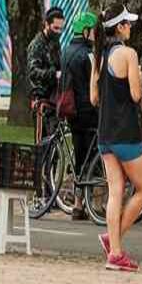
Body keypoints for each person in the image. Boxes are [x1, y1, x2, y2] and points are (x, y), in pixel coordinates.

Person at [89, 4, 142, 272]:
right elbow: (137, 96)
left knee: (115, 190)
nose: (130, 26)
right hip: (126, 133)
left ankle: (114, 249)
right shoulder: (129, 54)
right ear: (119, 27)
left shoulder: (98, 56)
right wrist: (139, 77)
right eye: (127, 23)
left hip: (105, 134)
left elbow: (94, 98)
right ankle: (112, 241)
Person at [60, 11, 99, 221]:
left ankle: (77, 204)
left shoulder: (66, 51)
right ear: (86, 32)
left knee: (79, 156)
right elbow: (95, 84)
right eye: (94, 31)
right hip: (89, 112)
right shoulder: (89, 55)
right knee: (93, 156)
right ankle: (93, 202)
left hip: (71, 112)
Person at [28, 7, 65, 139]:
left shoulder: (55, 43)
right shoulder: (37, 45)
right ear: (46, 24)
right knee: (43, 146)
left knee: (54, 144)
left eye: (61, 29)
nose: (59, 32)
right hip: (42, 103)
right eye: (55, 28)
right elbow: (33, 72)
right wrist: (53, 74)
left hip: (54, 101)